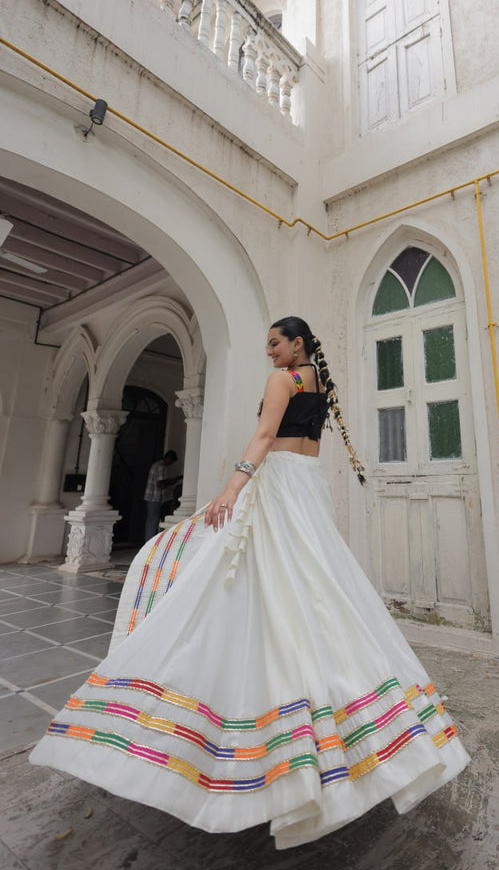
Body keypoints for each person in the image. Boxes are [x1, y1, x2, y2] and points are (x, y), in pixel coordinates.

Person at [30, 317, 470, 849]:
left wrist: (232, 488)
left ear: (297, 344)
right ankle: (356, 725)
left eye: (275, 344)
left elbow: (264, 437)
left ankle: (259, 718)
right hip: (309, 487)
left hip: (280, 484)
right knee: (316, 591)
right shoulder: (319, 383)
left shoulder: (283, 381)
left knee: (248, 589)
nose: (269, 354)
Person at [143, 449, 179, 541]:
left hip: (150, 497)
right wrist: (170, 481)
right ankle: (149, 542)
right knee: (153, 521)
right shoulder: (160, 466)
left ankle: (148, 540)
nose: (170, 464)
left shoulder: (156, 465)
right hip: (154, 497)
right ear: (169, 459)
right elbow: (159, 483)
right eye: (171, 461)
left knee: (150, 520)